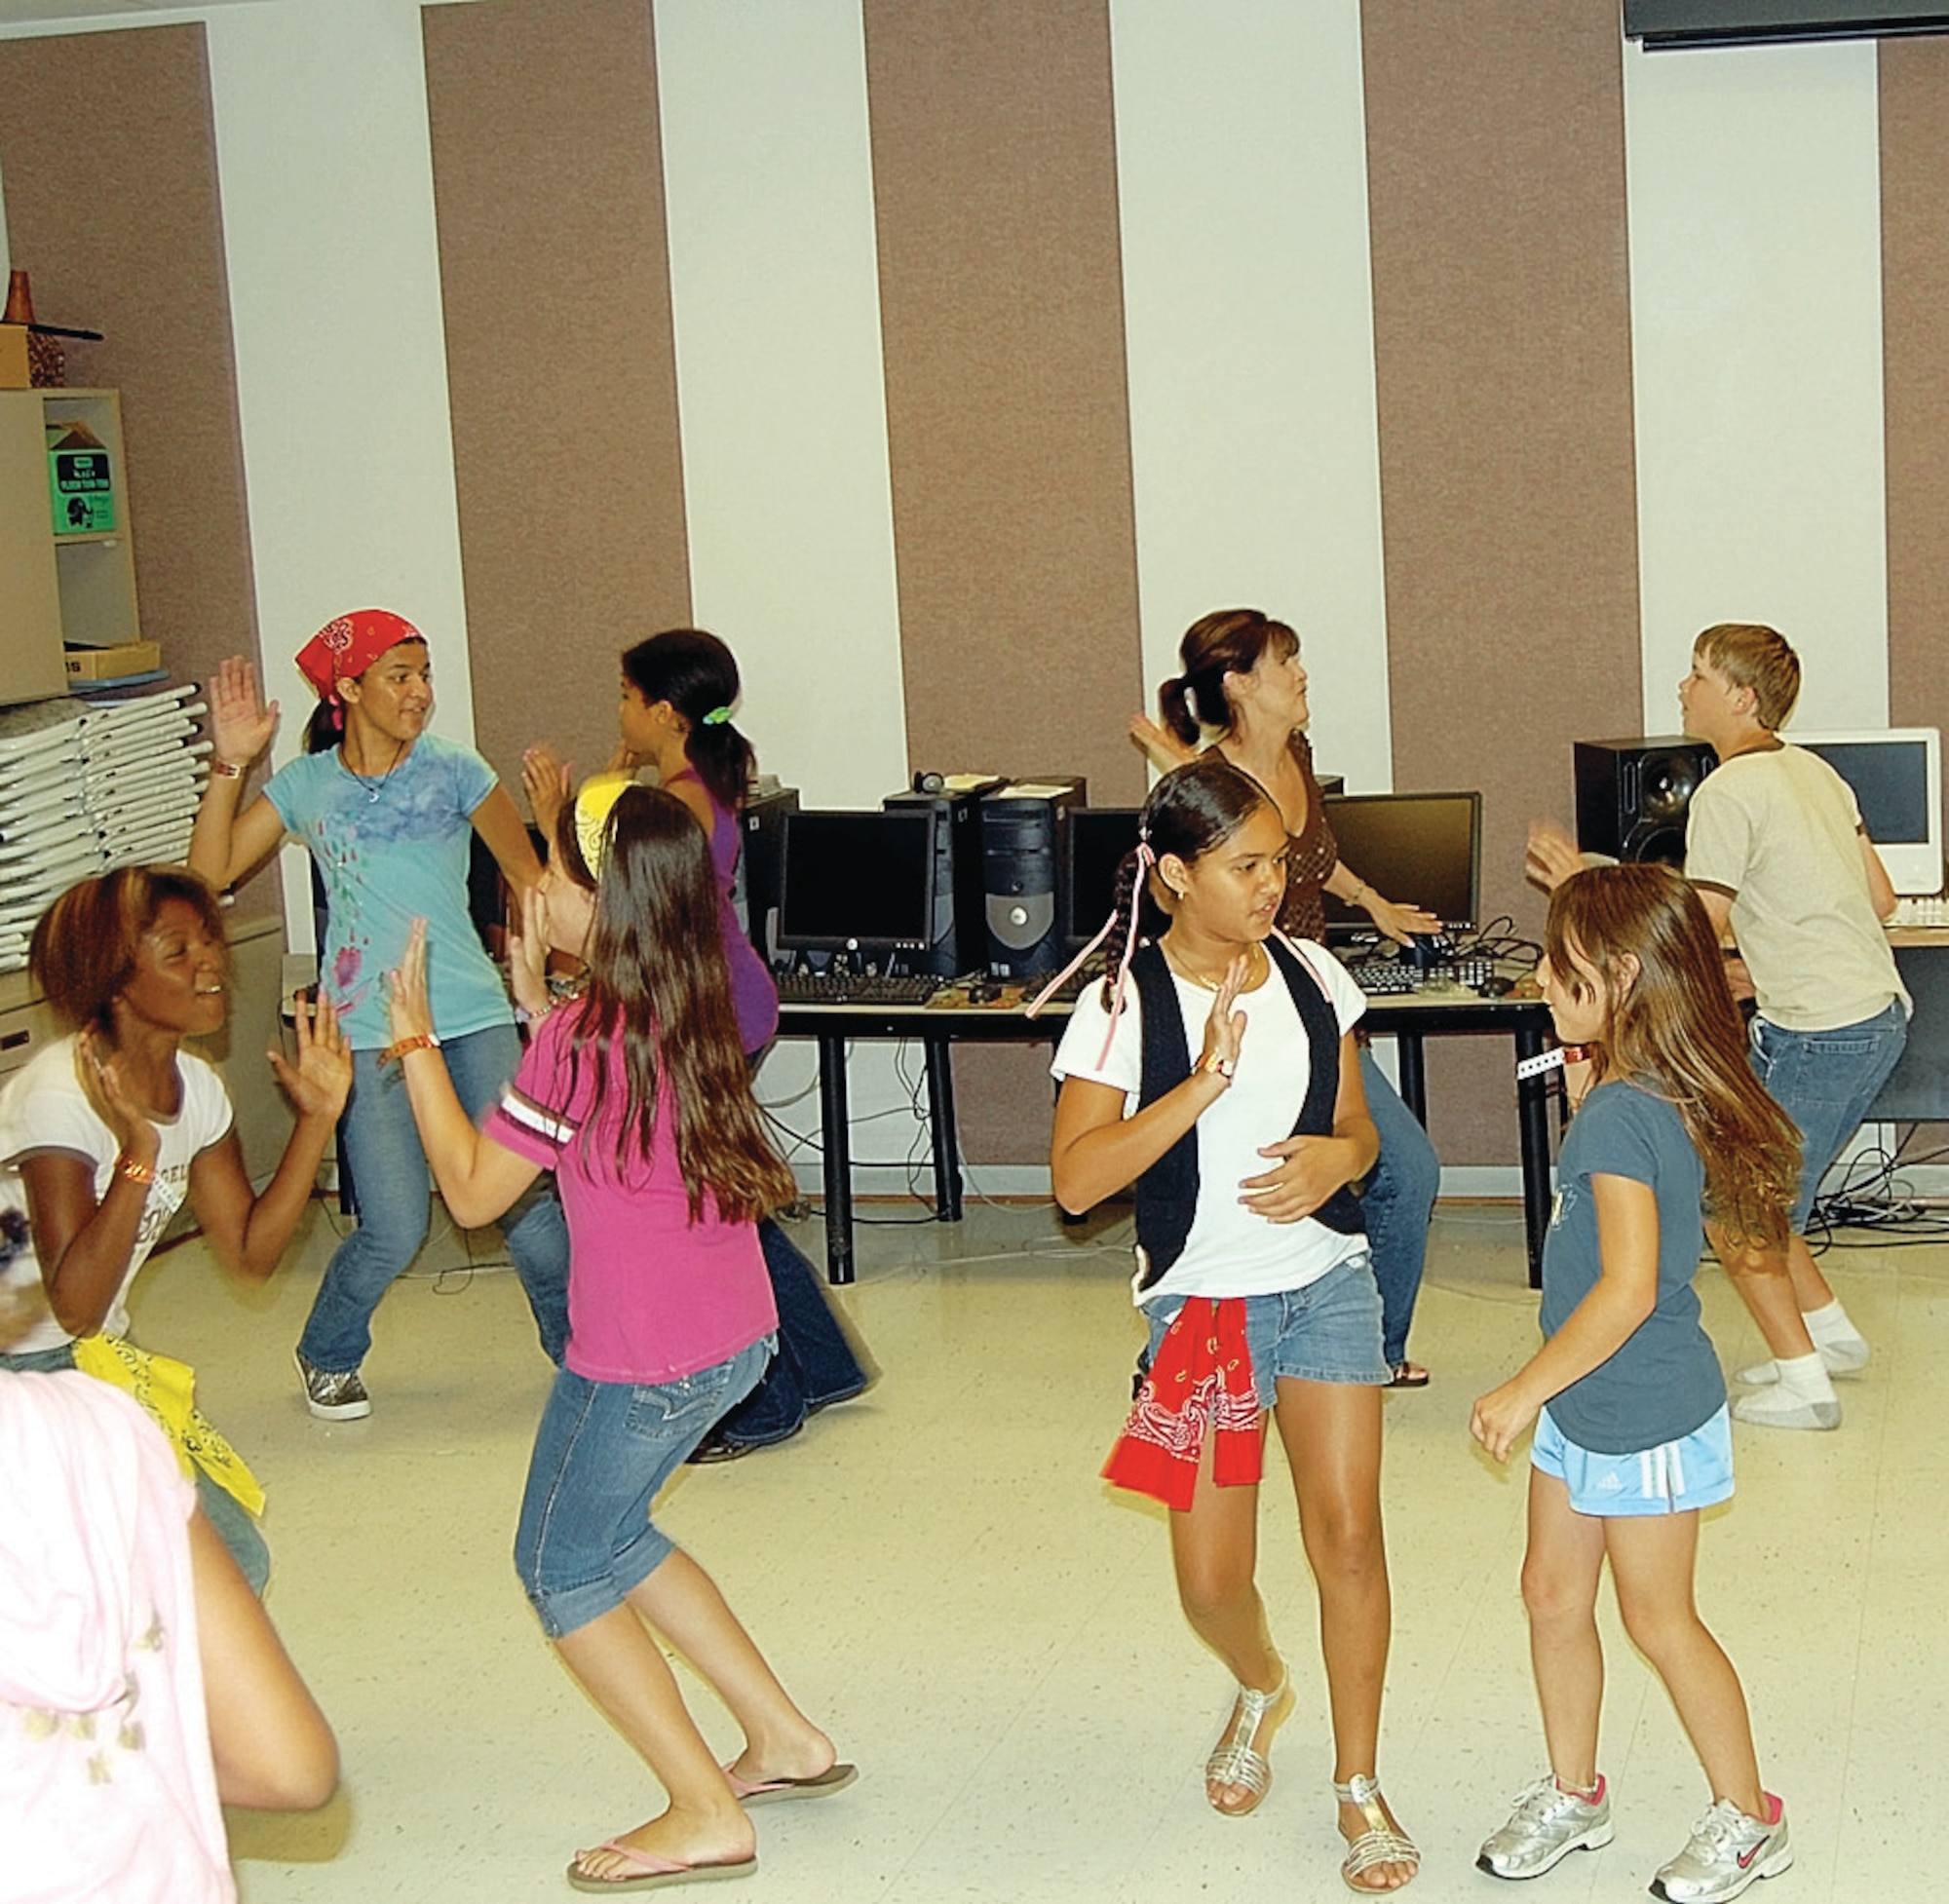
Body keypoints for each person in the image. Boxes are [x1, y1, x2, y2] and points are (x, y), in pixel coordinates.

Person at [385, 779, 854, 1890]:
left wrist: (411, 1046)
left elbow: (466, 1192)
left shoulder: (580, 1036)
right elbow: (590, 1086)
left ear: (601, 898)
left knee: (555, 1560)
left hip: (641, 1360)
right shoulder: (679, 994)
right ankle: (784, 1741)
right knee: (619, 1531)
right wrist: (532, 988)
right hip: (734, 1334)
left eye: (549, 870)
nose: (531, 886)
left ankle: (702, 1808)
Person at [1050, 755, 1418, 1894]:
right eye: (1243, 865)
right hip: (1204, 1309)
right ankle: (1259, 1681)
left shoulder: (1312, 974)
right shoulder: (1119, 1004)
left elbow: (1359, 1130)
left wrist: (1336, 1159)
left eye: (1273, 862)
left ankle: (1356, 1783)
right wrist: (1201, 1084)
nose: (1270, 885)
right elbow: (1072, 1183)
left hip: (1324, 1282)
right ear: (1171, 874)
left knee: (1346, 1536)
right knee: (1211, 1577)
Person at [1471, 863, 1797, 1902]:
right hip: (1591, 1401)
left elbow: (1622, 1289)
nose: (1540, 982)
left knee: (1659, 1619)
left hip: (1640, 1406)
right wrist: (1585, 1097)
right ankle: (1575, 1792)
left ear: (1617, 977)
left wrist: (1520, 1389)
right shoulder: (1634, 1092)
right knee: (1550, 1593)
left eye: (1559, 968)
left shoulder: (1622, 1111)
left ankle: (1749, 1818)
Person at [188, 611, 570, 1420]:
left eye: (425, 674)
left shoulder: (458, 772)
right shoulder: (305, 787)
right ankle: (327, 1351)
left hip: (470, 1013)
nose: (421, 693)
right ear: (348, 688)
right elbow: (208, 873)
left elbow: (530, 881)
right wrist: (229, 763)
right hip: (362, 1030)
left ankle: (580, 1356)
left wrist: (548, 982)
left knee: (529, 1207)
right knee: (393, 1226)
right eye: (400, 675)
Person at [1529, 623, 1906, 1431]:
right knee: (1758, 1186)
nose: (1683, 687)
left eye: (1698, 674)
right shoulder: (1816, 774)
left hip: (1823, 1028)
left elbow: (1693, 930)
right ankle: (1830, 1336)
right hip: (1871, 1012)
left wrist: (1588, 891)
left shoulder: (1729, 790)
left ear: (1740, 697)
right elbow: (1878, 900)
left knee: (1739, 1211)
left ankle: (1806, 1385)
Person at [524, 627, 867, 1460]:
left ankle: (764, 1402)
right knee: (729, 1200)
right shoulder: (693, 781)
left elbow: (597, 898)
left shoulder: (672, 801)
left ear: (665, 710)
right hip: (721, 1001)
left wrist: (553, 820)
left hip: (699, 1010)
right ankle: (820, 1366)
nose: (619, 709)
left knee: (714, 1208)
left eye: (626, 697)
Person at [0, 866, 352, 1592]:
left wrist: (317, 1121)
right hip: (21, 1369)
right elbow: (73, 1306)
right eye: (177, 951)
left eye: (209, 943)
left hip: (83, 1360)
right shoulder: (58, 1095)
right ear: (116, 980)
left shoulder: (197, 1089)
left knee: (226, 1566)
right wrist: (138, 1157)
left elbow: (250, 1254)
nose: (211, 964)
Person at [1129, 608, 1442, 1388]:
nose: (1302, 674)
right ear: (1238, 684)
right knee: (1354, 1172)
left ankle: (1372, 1345)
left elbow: (1312, 858)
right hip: (1243, 1011)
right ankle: (1184, 1340)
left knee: (1401, 1167)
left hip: (1313, 1004)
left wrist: (1373, 900)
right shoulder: (1212, 786)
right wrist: (1177, 769)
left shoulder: (1296, 754)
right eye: (1285, 663)